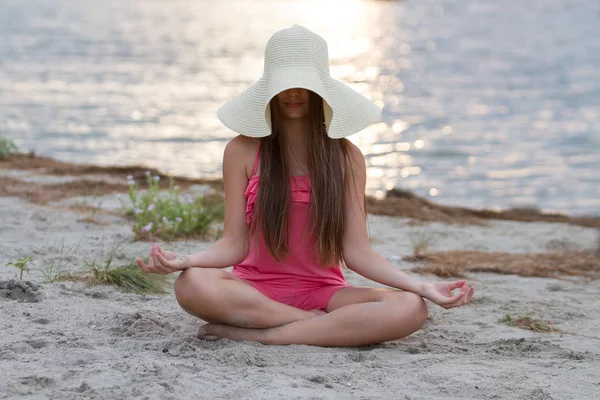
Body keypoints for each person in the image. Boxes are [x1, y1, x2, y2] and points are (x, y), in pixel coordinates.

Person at [135, 25, 475, 347]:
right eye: (285, 83)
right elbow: (233, 244)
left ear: (320, 90)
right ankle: (309, 325)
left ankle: (264, 336)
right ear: (269, 87)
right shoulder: (241, 150)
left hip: (325, 293)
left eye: (304, 85)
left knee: (411, 307)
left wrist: (423, 286)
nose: (294, 93)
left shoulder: (347, 158)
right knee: (192, 283)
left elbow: (357, 252)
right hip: (252, 290)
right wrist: (187, 259)